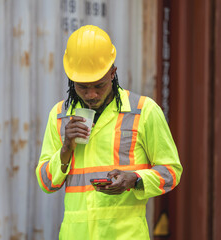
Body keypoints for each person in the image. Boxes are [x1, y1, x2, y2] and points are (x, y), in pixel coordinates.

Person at [35, 25, 182, 240]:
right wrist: (66, 149)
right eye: (83, 87)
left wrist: (135, 179)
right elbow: (47, 183)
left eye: (99, 85)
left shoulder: (144, 111)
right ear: (71, 79)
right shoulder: (60, 115)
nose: (91, 94)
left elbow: (171, 172)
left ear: (113, 73)